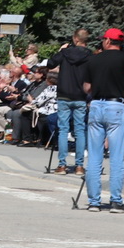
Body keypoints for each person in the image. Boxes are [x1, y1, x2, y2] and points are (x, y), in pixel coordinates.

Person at [82, 28, 124, 212]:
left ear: (108, 41)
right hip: (115, 105)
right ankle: (115, 201)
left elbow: (87, 88)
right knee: (117, 156)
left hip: (96, 105)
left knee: (94, 156)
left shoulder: (93, 59)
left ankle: (94, 201)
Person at [51, 28, 92, 174]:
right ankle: (79, 166)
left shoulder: (65, 52)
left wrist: (60, 50)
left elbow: (50, 64)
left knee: (63, 129)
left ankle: (62, 165)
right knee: (79, 130)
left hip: (64, 94)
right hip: (80, 95)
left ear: (75, 39)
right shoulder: (89, 55)